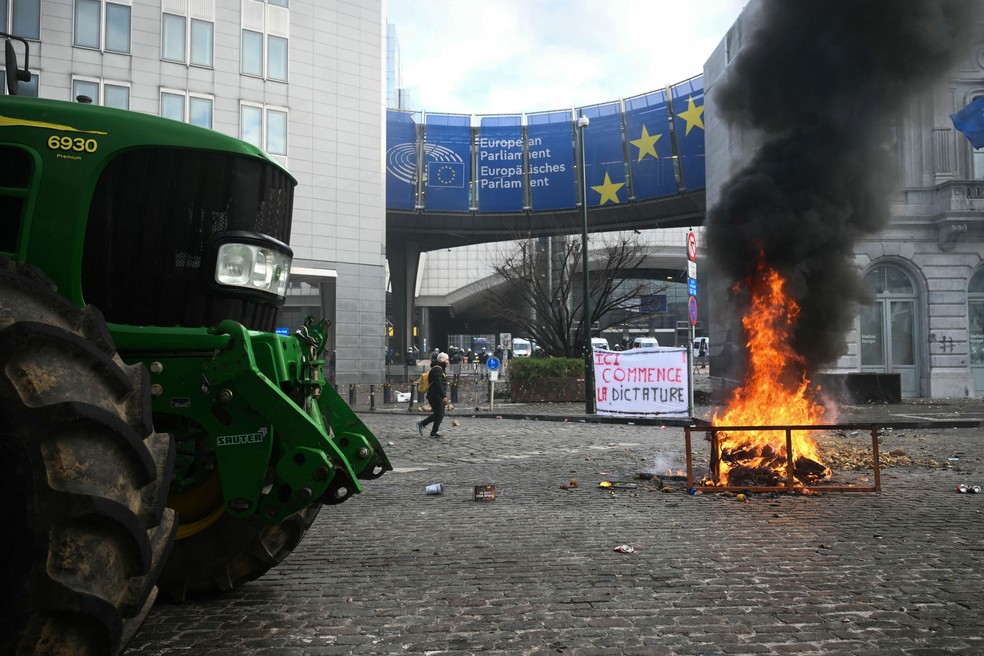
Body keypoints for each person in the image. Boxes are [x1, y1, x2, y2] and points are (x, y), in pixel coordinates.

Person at [418, 352, 450, 438]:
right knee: (439, 414)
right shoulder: (437, 370)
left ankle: (430, 429)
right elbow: (438, 384)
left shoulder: (440, 369)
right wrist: (444, 396)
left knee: (440, 414)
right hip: (435, 396)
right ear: (442, 360)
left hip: (437, 395)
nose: (448, 361)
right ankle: (429, 429)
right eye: (447, 360)